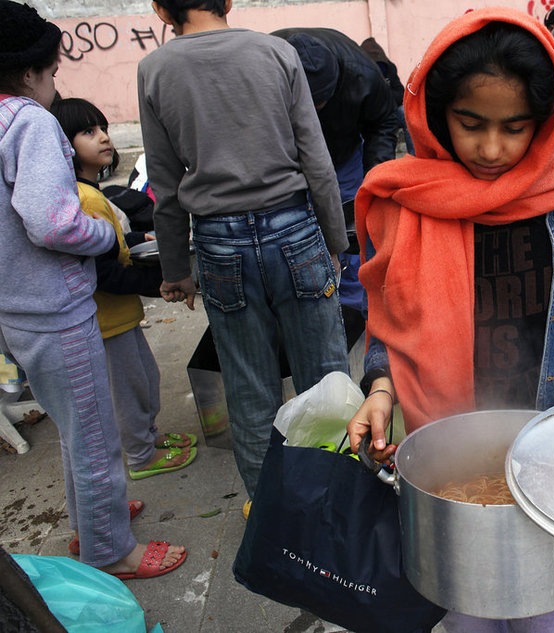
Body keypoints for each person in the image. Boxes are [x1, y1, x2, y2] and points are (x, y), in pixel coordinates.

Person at [346, 8, 554, 632]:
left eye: (514, 128)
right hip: (449, 456)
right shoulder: (411, 204)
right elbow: (389, 324)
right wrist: (379, 391)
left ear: (544, 121)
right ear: (437, 116)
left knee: (553, 606)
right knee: (466, 609)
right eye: (470, 124)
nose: (491, 149)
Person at [0, 0, 186, 580]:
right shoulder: (28, 121)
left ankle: (93, 518)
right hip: (55, 307)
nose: (55, 84)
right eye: (54, 73)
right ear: (31, 72)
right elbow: (53, 221)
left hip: (17, 308)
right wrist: (103, 232)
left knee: (76, 428)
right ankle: (110, 550)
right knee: (96, 437)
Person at [138, 0, 350, 501]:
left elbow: (164, 186)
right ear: (228, 1)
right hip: (295, 230)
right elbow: (315, 159)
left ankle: (270, 514)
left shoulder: (155, 69)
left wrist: (175, 269)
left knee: (249, 389)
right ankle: (339, 499)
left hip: (218, 242)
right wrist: (335, 241)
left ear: (159, 9)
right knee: (326, 380)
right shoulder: (276, 52)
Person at [51, 97, 198, 491]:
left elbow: (113, 240)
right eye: (88, 132)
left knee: (146, 378)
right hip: (105, 322)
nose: (103, 138)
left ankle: (146, 438)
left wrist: (140, 237)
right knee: (129, 391)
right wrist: (162, 284)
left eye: (103, 129)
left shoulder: (92, 191)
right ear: (63, 145)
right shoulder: (82, 199)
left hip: (121, 317)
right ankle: (139, 455)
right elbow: (106, 274)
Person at [271, 26, 402, 350]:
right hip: (285, 160)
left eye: (321, 103)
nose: (312, 114)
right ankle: (303, 305)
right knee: (293, 229)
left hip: (343, 157)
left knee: (351, 230)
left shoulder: (363, 74)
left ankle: (354, 311)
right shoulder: (269, 64)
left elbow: (384, 122)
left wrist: (374, 178)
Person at [360, 36, 415, 156]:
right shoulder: (359, 72)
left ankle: (414, 155)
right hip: (369, 115)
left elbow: (401, 93)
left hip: (390, 109)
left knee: (406, 113)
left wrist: (383, 95)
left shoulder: (389, 68)